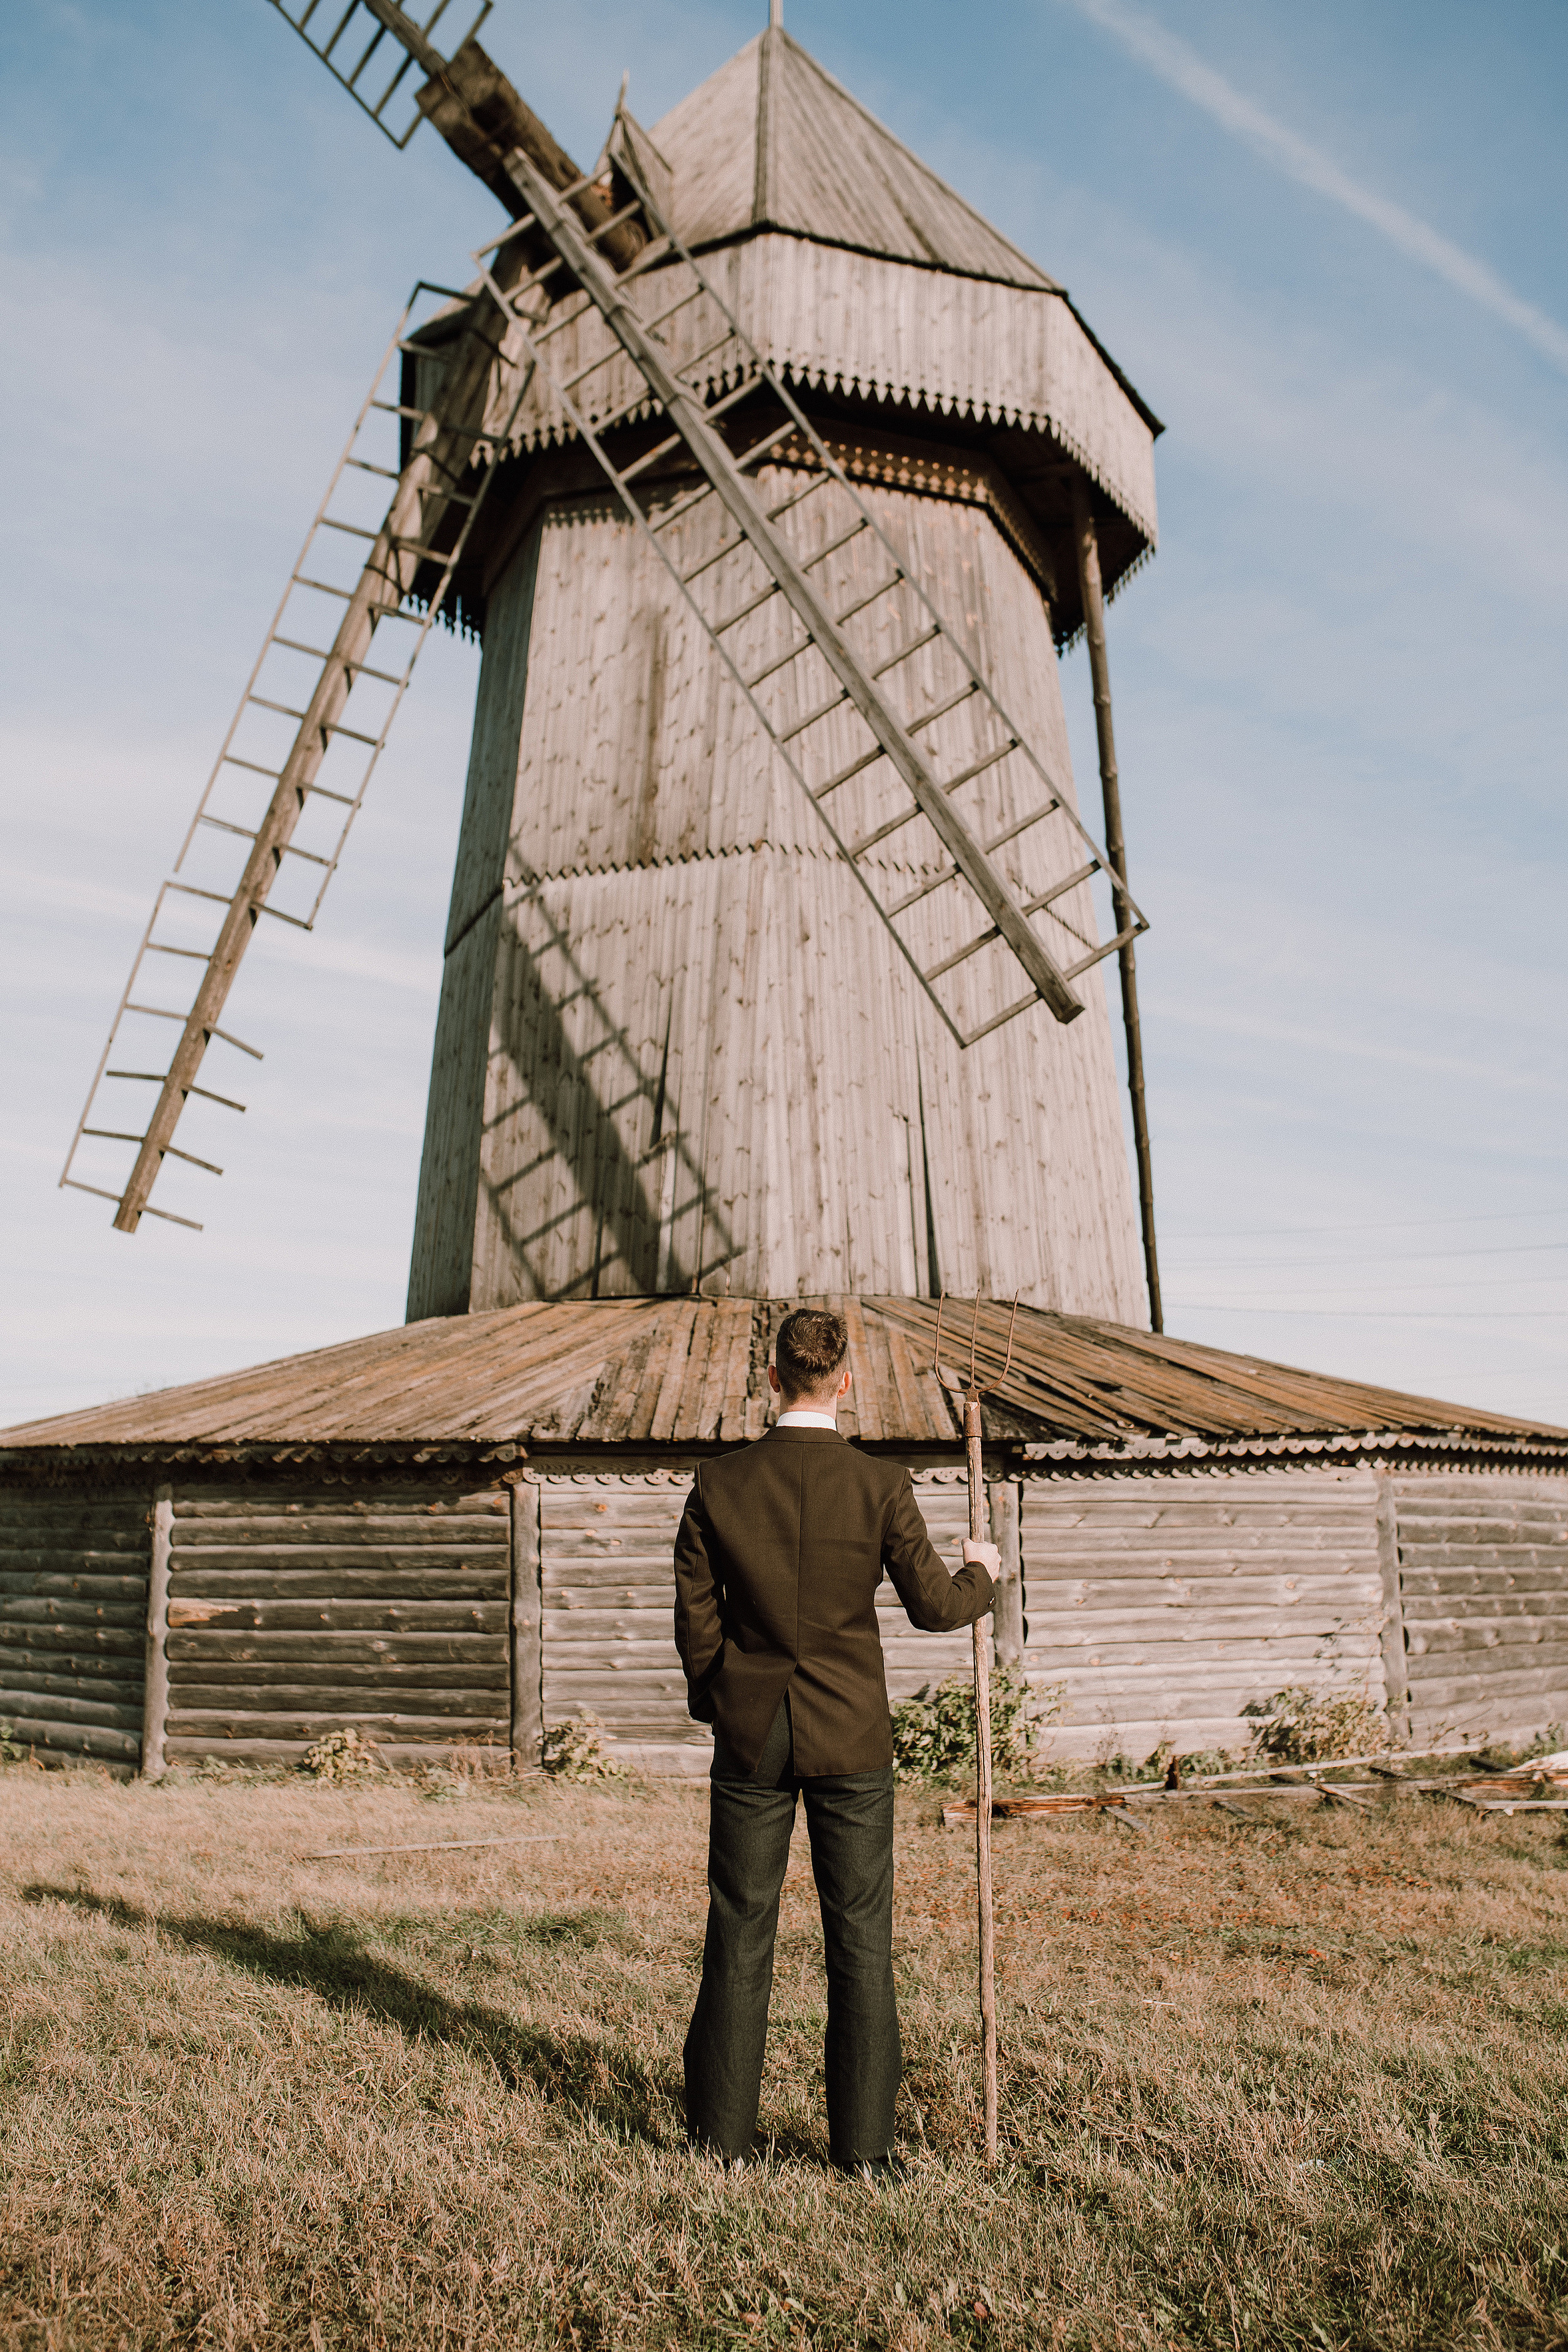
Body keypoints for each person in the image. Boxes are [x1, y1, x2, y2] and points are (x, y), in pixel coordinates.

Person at [673, 1305, 998, 2176]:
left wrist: (724, 1700)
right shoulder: (880, 1485)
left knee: (740, 1928)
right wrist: (984, 1574)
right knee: (861, 1935)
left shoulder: (720, 1483)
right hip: (852, 1733)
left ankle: (719, 2143)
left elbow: (695, 1626)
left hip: (752, 1737)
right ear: (843, 1382)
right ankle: (863, 2154)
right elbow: (937, 1608)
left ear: (771, 1378)